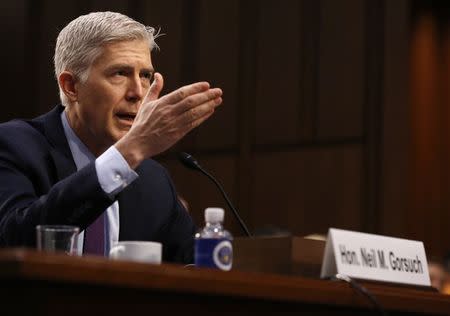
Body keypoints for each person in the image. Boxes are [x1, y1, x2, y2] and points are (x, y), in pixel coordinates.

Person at [0, 11, 222, 264]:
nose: (137, 92)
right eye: (120, 73)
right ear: (71, 86)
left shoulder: (153, 181)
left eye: (145, 75)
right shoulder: (12, 146)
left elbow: (193, 271)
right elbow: (15, 239)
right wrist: (130, 151)